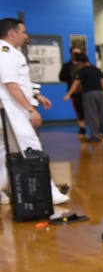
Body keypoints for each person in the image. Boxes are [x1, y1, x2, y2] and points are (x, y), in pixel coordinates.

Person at [0, 17, 70, 206]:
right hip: (12, 112)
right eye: (23, 32)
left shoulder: (13, 53)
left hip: (12, 109)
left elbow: (20, 82)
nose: (26, 35)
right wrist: (31, 110)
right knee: (32, 149)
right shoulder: (4, 53)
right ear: (12, 33)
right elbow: (11, 85)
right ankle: (49, 191)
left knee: (3, 153)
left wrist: (36, 95)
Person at [63, 52, 103, 141]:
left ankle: (95, 136)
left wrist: (68, 95)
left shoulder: (82, 71)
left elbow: (75, 84)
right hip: (100, 93)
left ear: (80, 62)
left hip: (89, 94)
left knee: (91, 114)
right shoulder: (96, 69)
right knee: (102, 114)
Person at [58, 45, 87, 135]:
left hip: (86, 90)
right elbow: (62, 77)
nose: (77, 55)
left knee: (89, 109)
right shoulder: (67, 65)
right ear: (71, 54)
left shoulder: (85, 65)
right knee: (78, 109)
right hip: (75, 91)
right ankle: (82, 127)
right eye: (75, 53)